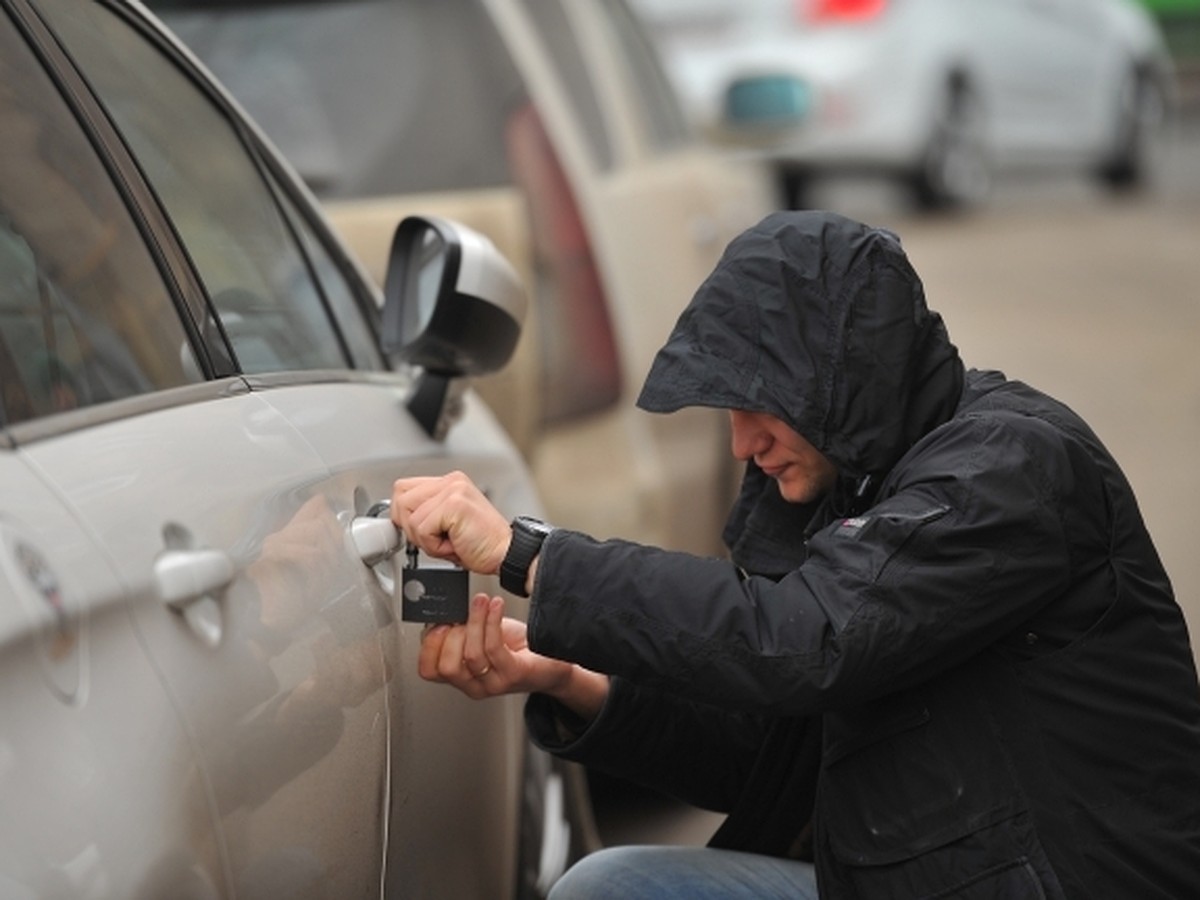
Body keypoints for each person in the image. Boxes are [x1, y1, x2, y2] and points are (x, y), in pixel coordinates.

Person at [391, 210, 1200, 899]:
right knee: (614, 886)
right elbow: (770, 753)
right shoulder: (854, 484)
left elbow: (802, 642)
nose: (744, 442)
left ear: (844, 378)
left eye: (761, 404)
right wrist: (568, 676)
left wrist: (531, 554)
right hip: (913, 875)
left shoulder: (1011, 468)